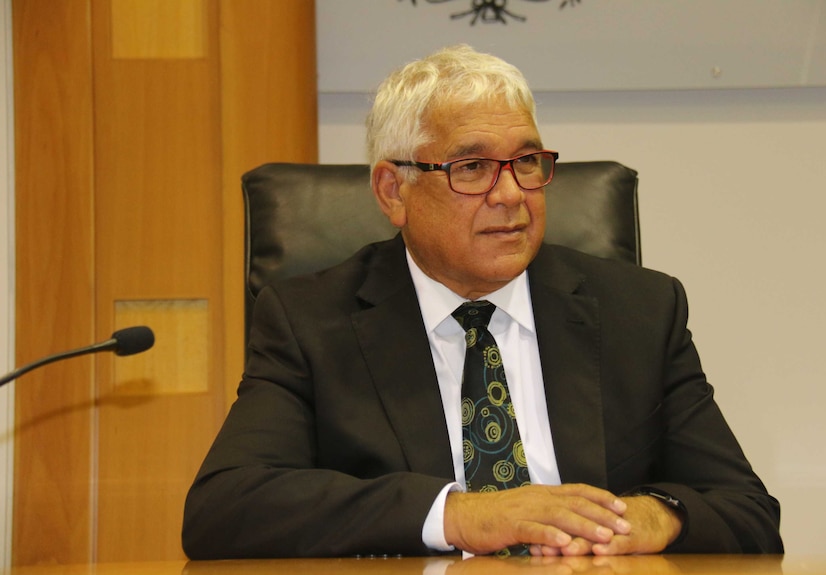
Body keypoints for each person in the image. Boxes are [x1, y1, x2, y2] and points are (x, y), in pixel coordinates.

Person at [182, 44, 783, 559]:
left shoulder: (640, 311)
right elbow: (224, 508)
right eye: (472, 167)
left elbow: (749, 513)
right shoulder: (312, 322)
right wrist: (458, 516)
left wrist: (655, 517)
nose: (511, 195)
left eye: (526, 162)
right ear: (394, 191)